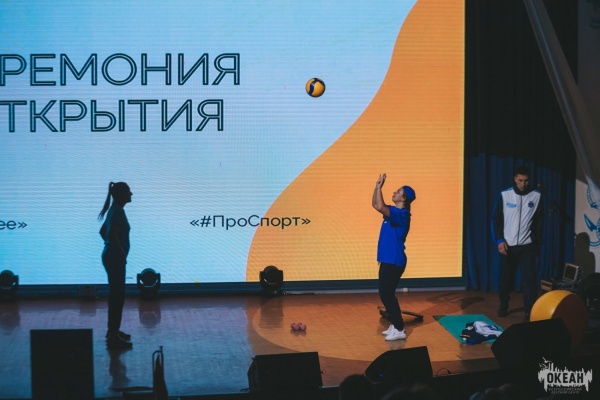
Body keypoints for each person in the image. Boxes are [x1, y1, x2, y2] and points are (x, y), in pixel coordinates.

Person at [492, 166, 544, 320]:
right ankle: (504, 304)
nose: (523, 184)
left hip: (527, 246)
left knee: (529, 280)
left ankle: (529, 311)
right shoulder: (505, 195)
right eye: (520, 180)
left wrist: (536, 242)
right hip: (508, 245)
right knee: (506, 279)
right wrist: (500, 240)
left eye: (526, 181)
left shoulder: (536, 196)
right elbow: (496, 220)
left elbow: (539, 222)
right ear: (515, 179)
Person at [372, 173, 416, 341]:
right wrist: (376, 187)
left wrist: (379, 188)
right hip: (387, 259)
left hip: (394, 260)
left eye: (398, 192)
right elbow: (376, 204)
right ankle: (395, 324)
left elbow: (380, 206)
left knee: (387, 294)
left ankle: (399, 328)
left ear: (404, 198)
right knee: (385, 293)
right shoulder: (394, 212)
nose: (395, 192)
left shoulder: (402, 214)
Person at [99, 182, 133, 349]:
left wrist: (110, 247)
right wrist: (120, 253)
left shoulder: (114, 210)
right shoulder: (118, 211)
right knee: (117, 297)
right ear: (121, 194)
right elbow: (111, 235)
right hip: (115, 259)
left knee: (115, 296)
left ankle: (113, 331)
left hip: (110, 256)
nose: (131, 194)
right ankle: (113, 335)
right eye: (128, 191)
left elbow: (102, 232)